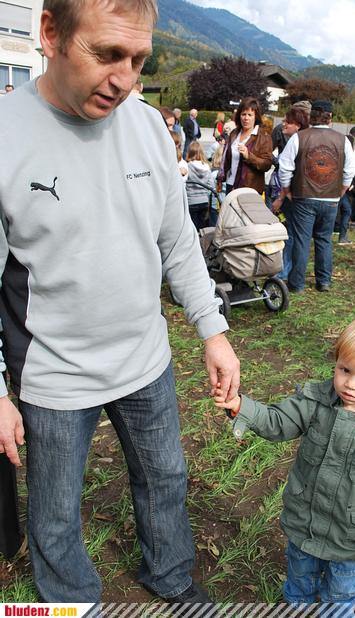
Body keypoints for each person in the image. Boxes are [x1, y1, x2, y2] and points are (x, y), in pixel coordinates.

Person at [0, 0, 240, 607]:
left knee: (166, 478)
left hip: (145, 359)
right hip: (53, 374)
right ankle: (69, 603)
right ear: (50, 33)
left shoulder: (149, 127)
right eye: (107, 54)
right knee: (55, 514)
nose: (124, 79)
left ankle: (171, 576)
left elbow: (177, 241)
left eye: (138, 60)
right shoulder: (4, 135)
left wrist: (212, 331)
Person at [214, 315, 355, 613]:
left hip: (347, 537)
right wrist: (241, 406)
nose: (350, 384)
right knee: (299, 580)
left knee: (340, 593)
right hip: (304, 523)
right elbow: (277, 421)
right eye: (345, 370)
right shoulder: (316, 402)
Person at [278, 100, 355, 293]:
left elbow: (285, 167)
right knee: (324, 240)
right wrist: (341, 190)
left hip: (303, 197)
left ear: (311, 117)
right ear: (330, 118)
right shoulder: (343, 140)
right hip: (331, 199)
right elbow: (351, 169)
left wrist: (287, 190)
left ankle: (297, 284)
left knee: (302, 241)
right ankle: (324, 281)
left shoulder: (299, 137)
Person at [271, 108, 309, 281]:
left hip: (292, 196)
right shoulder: (305, 140)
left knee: (290, 234)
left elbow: (289, 172)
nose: (283, 124)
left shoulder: (297, 141)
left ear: (298, 125)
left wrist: (282, 196)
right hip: (298, 195)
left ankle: (285, 272)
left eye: (288, 122)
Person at [218, 96, 272, 195]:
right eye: (243, 114)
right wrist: (220, 178)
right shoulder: (234, 133)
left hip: (249, 188)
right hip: (230, 184)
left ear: (256, 117)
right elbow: (226, 158)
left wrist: (249, 156)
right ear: (239, 115)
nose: (246, 118)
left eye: (250, 115)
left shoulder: (263, 137)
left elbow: (267, 164)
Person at [185, 142, 213, 231]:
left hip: (191, 201)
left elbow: (184, 183)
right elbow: (211, 185)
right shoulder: (207, 167)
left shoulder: (187, 166)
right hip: (204, 201)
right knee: (202, 228)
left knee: (192, 228)